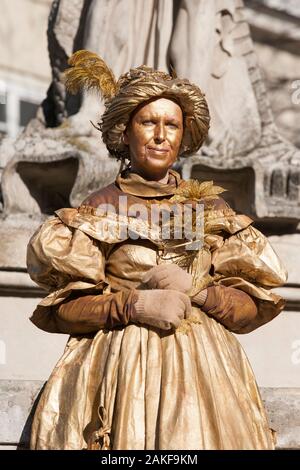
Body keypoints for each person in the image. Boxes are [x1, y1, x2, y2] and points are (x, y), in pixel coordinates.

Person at [27, 50, 287, 450]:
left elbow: (253, 306)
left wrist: (200, 292)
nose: (161, 135)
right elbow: (61, 310)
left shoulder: (206, 209)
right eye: (149, 122)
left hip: (206, 383)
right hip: (118, 376)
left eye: (172, 125)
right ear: (126, 131)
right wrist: (130, 306)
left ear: (184, 136)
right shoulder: (96, 209)